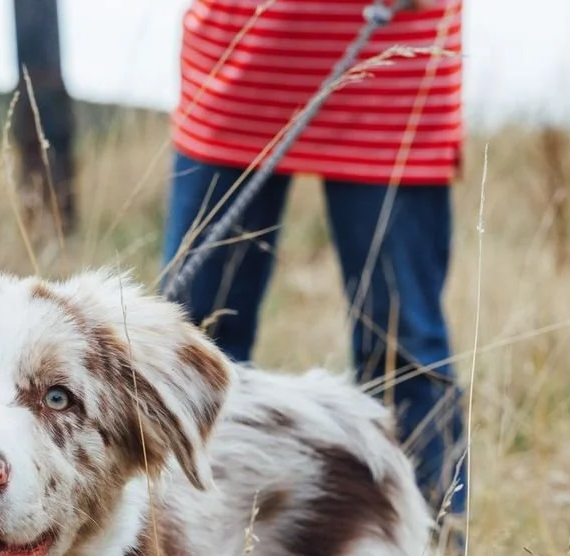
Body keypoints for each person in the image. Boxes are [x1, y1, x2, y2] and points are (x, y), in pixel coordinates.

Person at [162, 0, 469, 525]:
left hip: (395, 61)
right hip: (240, 54)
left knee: (404, 346)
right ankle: (175, 536)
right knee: (191, 339)